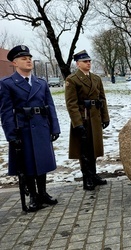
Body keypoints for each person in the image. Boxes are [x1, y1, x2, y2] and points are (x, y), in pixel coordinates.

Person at [0, 45, 60, 212]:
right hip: (23, 129)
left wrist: (54, 127)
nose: (28, 60)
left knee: (42, 161)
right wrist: (11, 134)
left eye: (29, 58)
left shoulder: (41, 83)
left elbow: (50, 106)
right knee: (27, 164)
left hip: (41, 127)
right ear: (14, 62)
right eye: (23, 58)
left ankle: (42, 193)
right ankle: (33, 195)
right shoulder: (7, 84)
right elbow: (5, 112)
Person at [65, 50, 110, 191]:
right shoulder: (72, 80)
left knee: (94, 148)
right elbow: (71, 104)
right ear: (78, 64)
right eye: (85, 61)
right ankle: (87, 178)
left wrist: (105, 117)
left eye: (89, 61)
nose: (88, 63)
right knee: (84, 149)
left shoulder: (96, 78)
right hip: (83, 118)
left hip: (95, 118)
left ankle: (94, 174)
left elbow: (102, 99)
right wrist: (77, 123)